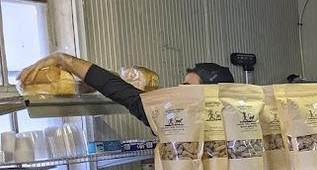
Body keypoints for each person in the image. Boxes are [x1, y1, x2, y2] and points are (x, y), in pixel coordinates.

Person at [18, 52, 234, 129]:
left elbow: (121, 92)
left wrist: (63, 59)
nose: (178, 90)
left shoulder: (180, 123)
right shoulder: (175, 118)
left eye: (186, 87)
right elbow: (121, 90)